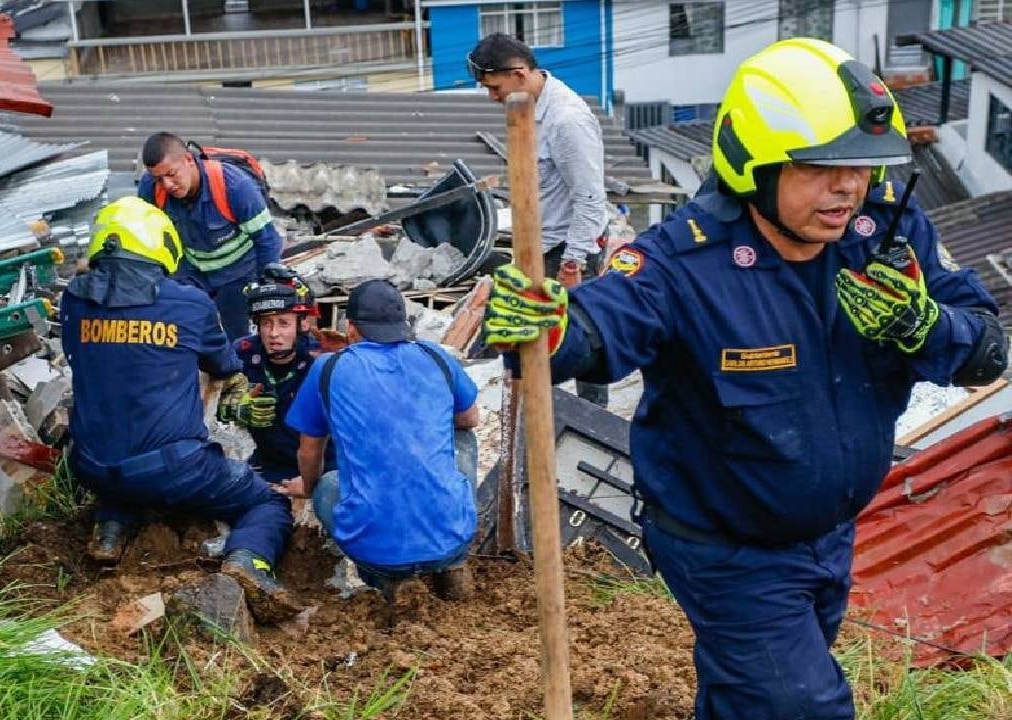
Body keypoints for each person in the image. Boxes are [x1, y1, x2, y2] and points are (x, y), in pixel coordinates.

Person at [482, 39, 1006, 719]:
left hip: (831, 534)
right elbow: (602, 328)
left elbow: (986, 350)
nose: (846, 188)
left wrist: (924, 326)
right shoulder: (686, 261)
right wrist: (550, 329)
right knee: (803, 707)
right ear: (755, 168)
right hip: (725, 547)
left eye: (860, 167)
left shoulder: (885, 234)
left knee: (750, 698)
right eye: (820, 168)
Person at [60, 196, 300, 622]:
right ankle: (249, 561)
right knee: (266, 504)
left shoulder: (74, 303)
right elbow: (225, 365)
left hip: (91, 465)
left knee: (122, 453)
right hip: (174, 470)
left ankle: (112, 527)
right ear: (160, 245)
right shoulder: (189, 304)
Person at [277, 279, 482, 601]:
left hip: (376, 551)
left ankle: (388, 584)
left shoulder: (328, 368)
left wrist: (307, 484)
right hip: (452, 537)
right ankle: (453, 563)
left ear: (352, 328)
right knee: (463, 439)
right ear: (404, 324)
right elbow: (470, 419)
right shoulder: (435, 357)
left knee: (327, 485)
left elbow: (309, 450)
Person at [468, 32, 611, 406]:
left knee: (583, 341)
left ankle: (591, 427)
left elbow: (591, 198)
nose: (492, 97)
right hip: (541, 245)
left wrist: (574, 261)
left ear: (518, 74)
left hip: (567, 249)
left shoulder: (566, 121)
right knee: (534, 338)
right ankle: (538, 416)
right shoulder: (528, 106)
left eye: (494, 87)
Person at [137, 132, 282, 340]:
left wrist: (266, 289)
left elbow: (267, 241)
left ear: (188, 160)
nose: (167, 185)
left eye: (171, 174)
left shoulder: (235, 187)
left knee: (237, 340)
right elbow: (147, 238)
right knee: (182, 335)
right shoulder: (151, 189)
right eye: (159, 178)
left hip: (238, 276)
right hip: (190, 273)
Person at [225, 264, 338, 483]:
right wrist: (235, 408)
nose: (274, 333)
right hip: (265, 469)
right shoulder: (243, 352)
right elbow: (209, 400)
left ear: (302, 323)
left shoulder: (323, 362)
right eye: (266, 323)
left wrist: (311, 480)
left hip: (324, 471)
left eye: (284, 323)